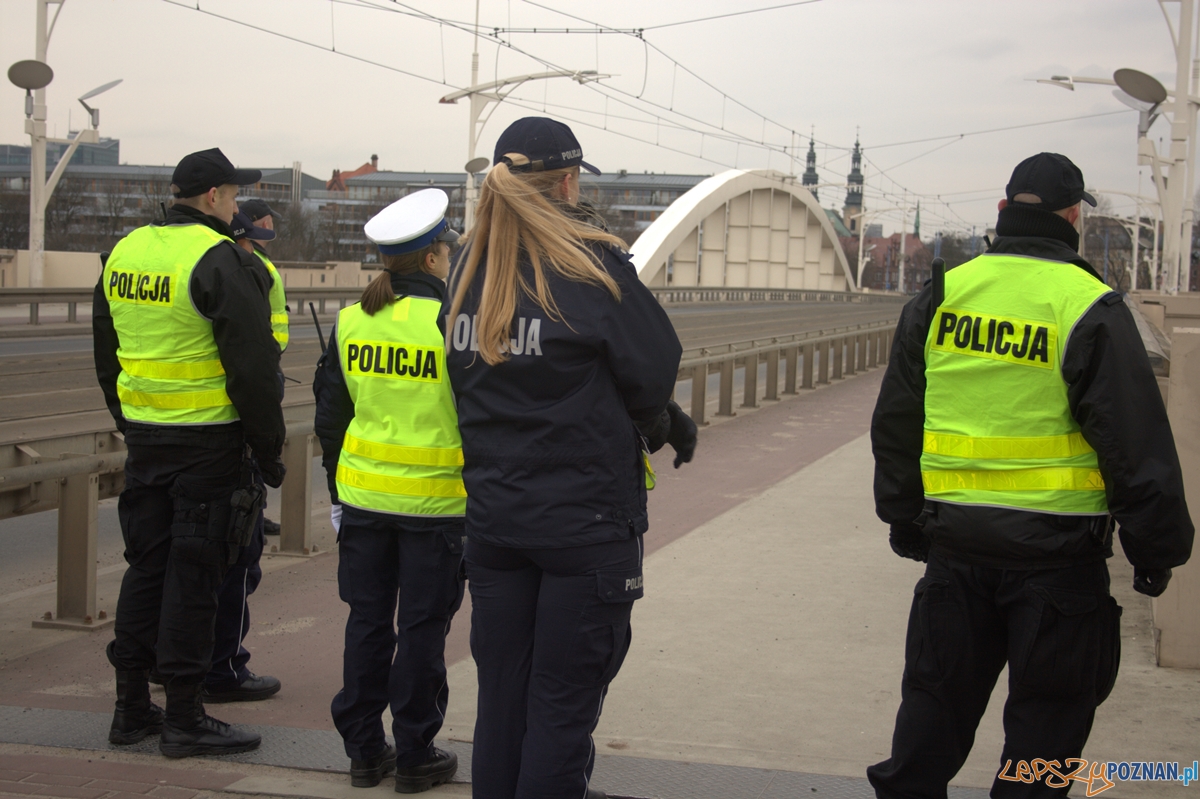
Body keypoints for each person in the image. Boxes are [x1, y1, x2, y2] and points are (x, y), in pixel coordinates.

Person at [868, 152, 1194, 797]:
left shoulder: (943, 292)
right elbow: (1132, 440)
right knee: (1044, 734)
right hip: (1058, 558)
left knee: (932, 712)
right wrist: (1156, 546)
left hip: (955, 544)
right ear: (1075, 217)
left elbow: (899, 418)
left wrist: (903, 514)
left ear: (1001, 211)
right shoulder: (1091, 305)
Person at [445, 117, 698, 799]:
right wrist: (658, 419)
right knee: (561, 705)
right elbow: (652, 368)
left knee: (503, 701)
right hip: (583, 525)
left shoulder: (467, 266)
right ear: (566, 179)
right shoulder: (588, 262)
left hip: (496, 523)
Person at [93, 148, 287, 757]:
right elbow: (253, 370)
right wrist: (268, 450)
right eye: (232, 198)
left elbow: (107, 354)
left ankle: (131, 709)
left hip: (147, 440)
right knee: (195, 582)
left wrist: (131, 420)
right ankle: (183, 717)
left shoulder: (124, 252)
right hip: (210, 445)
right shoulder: (219, 258)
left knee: (145, 570)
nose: (234, 208)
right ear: (212, 199)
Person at [314, 189, 466, 793]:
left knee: (368, 623)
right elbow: (479, 417)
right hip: (436, 507)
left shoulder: (353, 320)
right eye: (447, 251)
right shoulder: (453, 324)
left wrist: (336, 491)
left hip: (363, 503)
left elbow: (332, 416)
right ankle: (414, 752)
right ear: (432, 258)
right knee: (423, 631)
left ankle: (362, 751)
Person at [189, 210, 285, 705]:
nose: (260, 252)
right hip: (228, 438)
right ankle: (221, 669)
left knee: (179, 563)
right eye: (254, 243)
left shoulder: (234, 269)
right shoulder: (236, 273)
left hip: (172, 436)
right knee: (234, 561)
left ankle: (170, 668)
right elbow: (252, 372)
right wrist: (269, 455)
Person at [239, 198, 288, 537]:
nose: (272, 228)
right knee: (254, 447)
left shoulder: (260, 260)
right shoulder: (247, 261)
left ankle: (258, 513)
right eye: (268, 222)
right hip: (261, 364)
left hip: (268, 359)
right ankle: (253, 516)